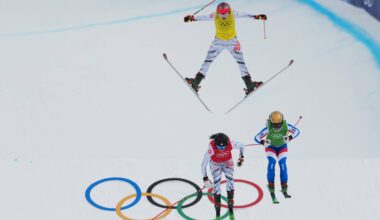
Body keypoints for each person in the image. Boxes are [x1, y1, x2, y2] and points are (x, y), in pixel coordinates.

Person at [183, 2, 267, 95]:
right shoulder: (214, 15)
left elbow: (245, 15)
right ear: (218, 12)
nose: (223, 16)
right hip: (218, 42)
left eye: (225, 14)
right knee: (208, 61)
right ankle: (196, 83)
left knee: (240, 62)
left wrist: (257, 16)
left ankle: (249, 85)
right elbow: (203, 17)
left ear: (229, 11)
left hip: (232, 42)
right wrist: (192, 18)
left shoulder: (233, 13)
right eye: (221, 14)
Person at [254, 111, 300, 200]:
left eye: (279, 125)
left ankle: (284, 186)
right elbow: (256, 137)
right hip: (271, 148)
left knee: (282, 165)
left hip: (282, 147)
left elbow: (297, 131)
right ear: (271, 123)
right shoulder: (268, 128)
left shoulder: (286, 126)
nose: (277, 127)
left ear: (282, 122)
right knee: (272, 163)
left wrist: (289, 137)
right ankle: (271, 184)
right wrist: (263, 142)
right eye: (274, 125)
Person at [201, 133, 245, 220]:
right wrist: (205, 178)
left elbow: (242, 146)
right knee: (216, 180)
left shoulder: (230, 143)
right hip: (215, 163)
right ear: (215, 144)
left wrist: (241, 156)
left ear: (227, 144)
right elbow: (203, 164)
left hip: (227, 161)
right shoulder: (211, 148)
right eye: (219, 147)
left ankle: (230, 201)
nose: (221, 149)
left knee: (230, 178)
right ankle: (217, 203)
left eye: (223, 147)